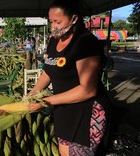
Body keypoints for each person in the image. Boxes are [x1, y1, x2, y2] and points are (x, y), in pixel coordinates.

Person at [28, 0, 111, 155]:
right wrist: (32, 94)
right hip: (64, 109)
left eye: (58, 22)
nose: (53, 27)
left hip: (86, 111)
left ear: (74, 19)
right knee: (64, 151)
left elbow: (88, 90)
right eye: (51, 21)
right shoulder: (54, 40)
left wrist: (45, 101)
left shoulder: (85, 42)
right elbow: (48, 72)